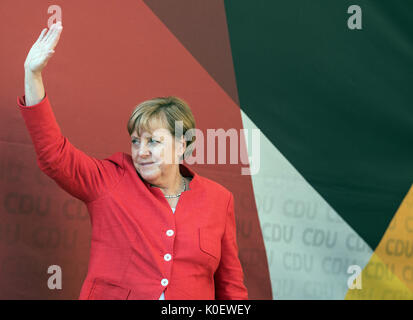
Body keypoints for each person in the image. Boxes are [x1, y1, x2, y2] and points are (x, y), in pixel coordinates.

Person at [18, 21, 248, 300]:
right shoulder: (111, 179)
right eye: (136, 141)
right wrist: (33, 76)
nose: (141, 151)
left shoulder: (218, 200)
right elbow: (54, 156)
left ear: (181, 144)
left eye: (153, 141)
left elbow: (231, 289)